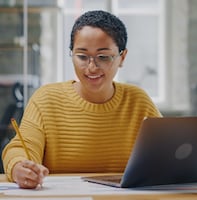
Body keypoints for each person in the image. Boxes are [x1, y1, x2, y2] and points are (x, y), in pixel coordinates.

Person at [2, 10, 162, 189]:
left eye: (103, 57)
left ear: (122, 57)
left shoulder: (138, 101)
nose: (92, 67)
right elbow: (20, 148)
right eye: (82, 56)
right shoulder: (46, 99)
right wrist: (19, 166)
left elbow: (167, 154)